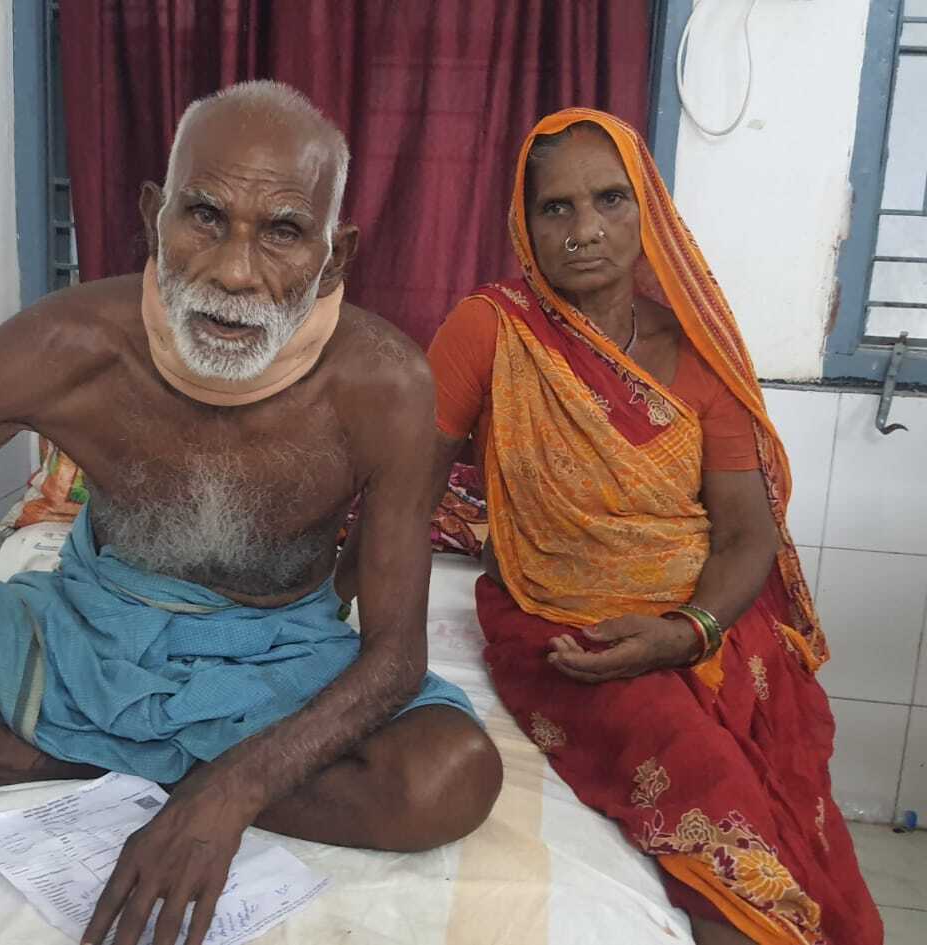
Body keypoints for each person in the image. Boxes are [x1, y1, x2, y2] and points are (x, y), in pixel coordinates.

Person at [0, 81, 502, 945]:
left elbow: (395, 656)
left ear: (335, 258)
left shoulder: (384, 385)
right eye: (205, 216)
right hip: (86, 632)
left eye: (284, 231)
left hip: (273, 659)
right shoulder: (69, 345)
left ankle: (85, 758)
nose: (234, 271)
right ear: (153, 217)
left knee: (450, 774)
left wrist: (227, 794)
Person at [370, 109, 879, 945]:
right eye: (556, 208)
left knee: (791, 809)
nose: (585, 229)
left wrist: (689, 630)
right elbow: (404, 498)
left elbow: (746, 535)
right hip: (566, 627)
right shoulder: (491, 330)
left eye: (610, 199)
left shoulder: (698, 347)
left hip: (707, 622)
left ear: (649, 211)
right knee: (717, 805)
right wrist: (357, 641)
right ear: (524, 222)